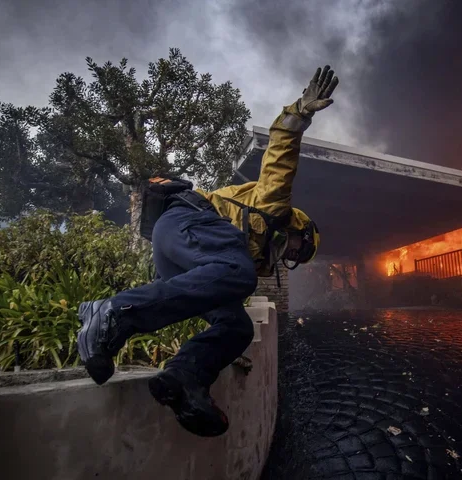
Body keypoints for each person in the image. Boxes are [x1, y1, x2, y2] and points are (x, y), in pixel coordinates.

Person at [76, 65, 339, 437]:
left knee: (237, 326)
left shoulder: (253, 253)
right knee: (240, 273)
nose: (291, 257)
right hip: (186, 221)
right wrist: (300, 111)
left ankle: (184, 377)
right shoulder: (275, 209)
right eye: (298, 250)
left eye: (295, 260)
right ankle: (111, 313)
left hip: (180, 252)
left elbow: (208, 283)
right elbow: (282, 151)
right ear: (300, 230)